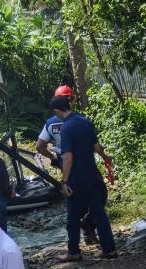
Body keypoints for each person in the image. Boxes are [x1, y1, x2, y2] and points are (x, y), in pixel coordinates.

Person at [51, 96, 117, 262]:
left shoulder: (66, 128)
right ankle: (109, 249)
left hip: (77, 179)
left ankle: (74, 251)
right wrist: (105, 157)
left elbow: (67, 157)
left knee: (73, 216)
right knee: (100, 214)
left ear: (57, 111)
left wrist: (64, 181)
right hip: (93, 176)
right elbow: (96, 147)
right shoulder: (86, 121)